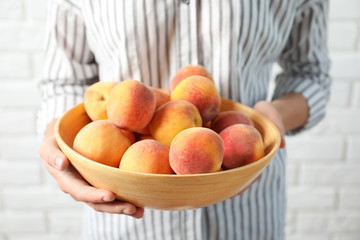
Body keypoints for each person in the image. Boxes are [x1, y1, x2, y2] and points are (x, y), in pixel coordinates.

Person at [37, 0, 331, 239]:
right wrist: (61, 146)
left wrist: (275, 116)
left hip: (246, 202)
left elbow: (310, 74)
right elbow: (63, 82)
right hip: (126, 212)